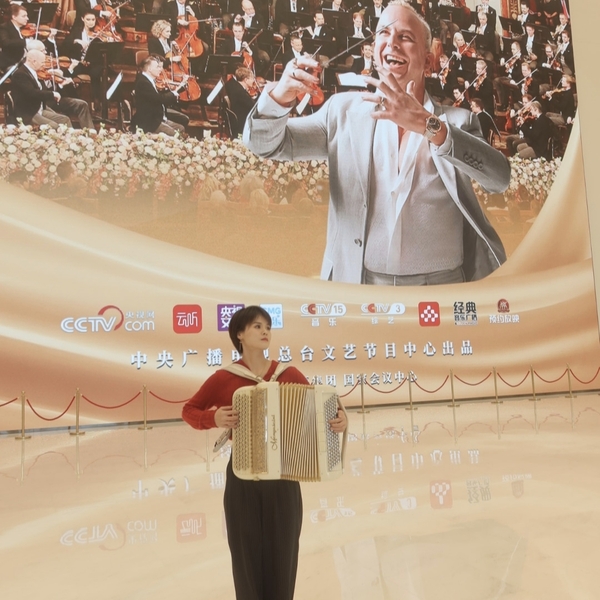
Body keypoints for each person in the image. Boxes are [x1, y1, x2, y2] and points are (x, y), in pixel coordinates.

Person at [244, 0, 510, 285]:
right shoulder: (341, 111)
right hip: (361, 288)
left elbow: (499, 179)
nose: (391, 42)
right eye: (383, 33)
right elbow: (265, 145)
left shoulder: (458, 121)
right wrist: (279, 97)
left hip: (443, 290)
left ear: (428, 62)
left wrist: (431, 127)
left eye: (405, 36)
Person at [181, 305, 347, 600]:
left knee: (283, 558)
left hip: (284, 477)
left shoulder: (288, 373)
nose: (265, 331)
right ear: (239, 334)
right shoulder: (225, 378)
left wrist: (340, 419)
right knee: (245, 559)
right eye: (257, 326)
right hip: (242, 477)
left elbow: (322, 409)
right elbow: (189, 410)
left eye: (268, 327)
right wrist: (213, 418)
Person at [10, 49, 73, 128]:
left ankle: (72, 136)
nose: (44, 65)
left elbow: (40, 89)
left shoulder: (34, 72)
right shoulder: (20, 74)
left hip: (39, 108)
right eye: (42, 62)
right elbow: (32, 93)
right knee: (54, 126)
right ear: (34, 61)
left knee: (65, 120)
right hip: (28, 112)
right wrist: (52, 94)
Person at [131, 54, 188, 135]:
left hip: (157, 115)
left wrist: (179, 87)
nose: (161, 69)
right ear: (149, 69)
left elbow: (158, 97)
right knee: (176, 134)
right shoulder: (143, 83)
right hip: (149, 122)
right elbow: (160, 99)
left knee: (181, 128)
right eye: (158, 67)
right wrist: (177, 89)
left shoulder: (149, 79)